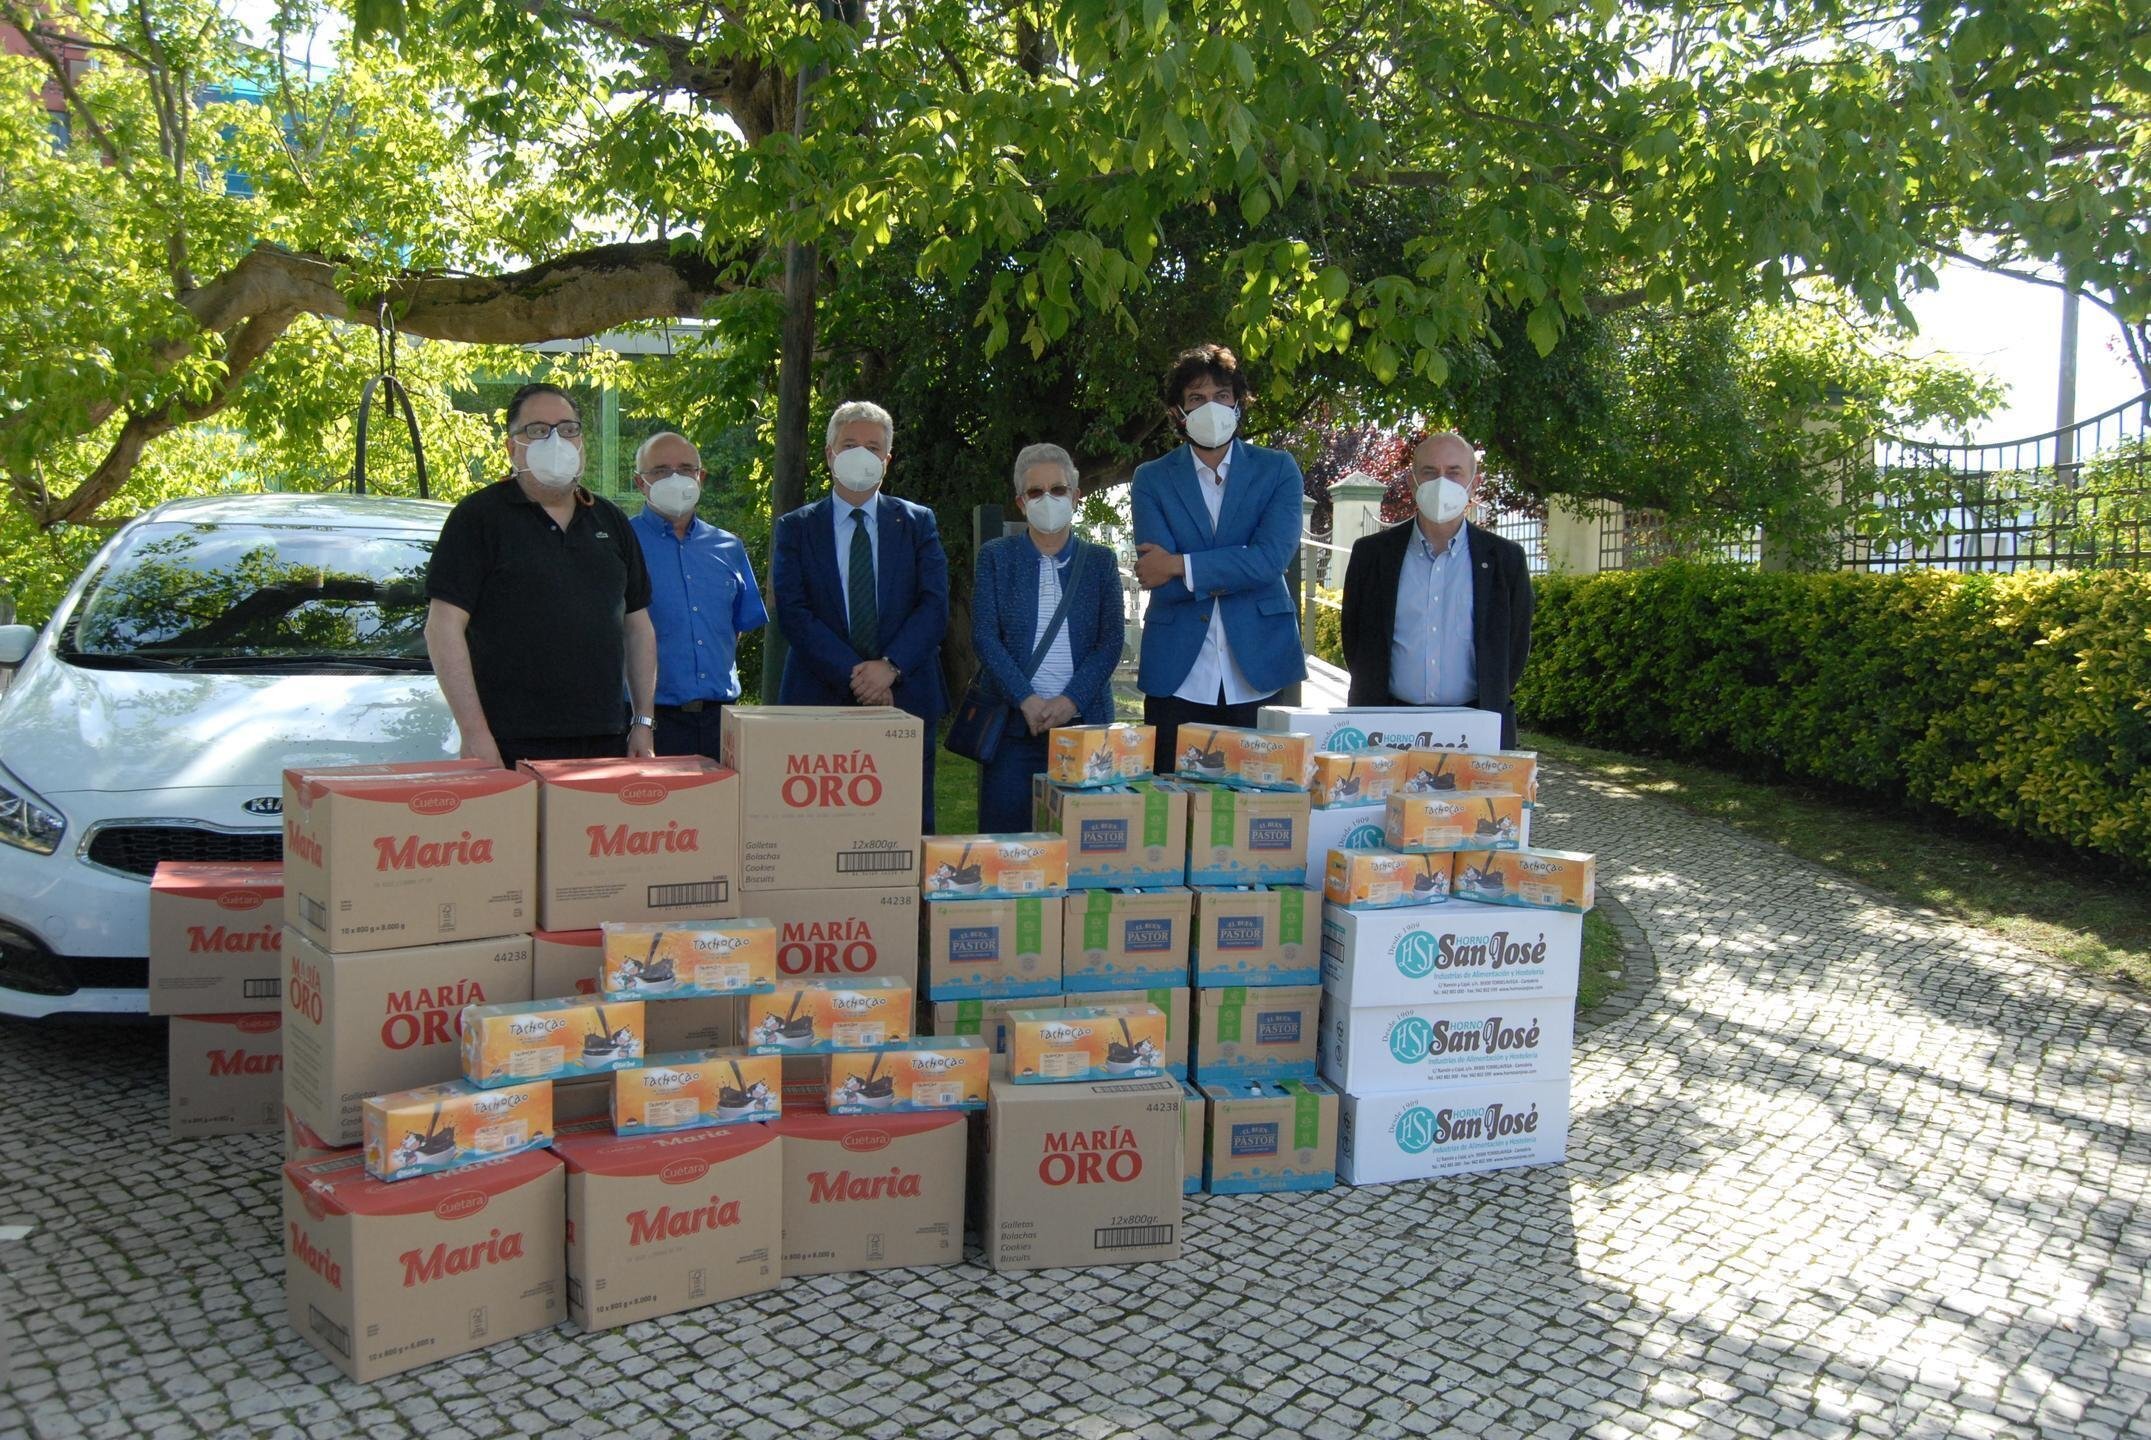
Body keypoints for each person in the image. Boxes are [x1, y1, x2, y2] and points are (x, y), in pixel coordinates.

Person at [425, 382, 657, 768]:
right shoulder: (478, 518)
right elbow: (443, 628)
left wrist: (643, 723)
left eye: (568, 429)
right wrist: (475, 734)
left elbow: (638, 626)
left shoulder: (610, 520)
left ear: (582, 442)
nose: (556, 441)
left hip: (604, 738)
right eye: (537, 430)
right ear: (511, 446)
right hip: (508, 742)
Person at [771, 400, 950, 830]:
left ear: (887, 461)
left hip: (905, 697)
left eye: (872, 447)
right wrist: (861, 677)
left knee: (905, 826)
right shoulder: (796, 527)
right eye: (849, 443)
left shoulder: (917, 522)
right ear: (830, 453)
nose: (860, 454)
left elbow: (934, 604)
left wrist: (889, 669)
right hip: (818, 698)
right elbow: (794, 612)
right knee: (819, 831)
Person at [1129, 343, 1306, 771]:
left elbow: (1269, 561)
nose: (1211, 406)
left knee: (1261, 811)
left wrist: (1180, 564)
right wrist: (1231, 563)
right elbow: (1156, 573)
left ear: (1238, 404)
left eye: (1222, 396)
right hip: (1179, 674)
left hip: (1259, 668)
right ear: (1178, 413)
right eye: (1196, 398)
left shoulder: (1278, 470)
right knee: (1174, 811)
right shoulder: (1151, 479)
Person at [1339, 430, 1534, 746]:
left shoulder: (1505, 559)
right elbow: (1356, 641)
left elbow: (1514, 648)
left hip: (1476, 728)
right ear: (1412, 481)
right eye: (1429, 472)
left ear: (1474, 482)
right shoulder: (1371, 555)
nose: (1441, 482)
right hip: (1385, 726)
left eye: (1454, 472)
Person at [969, 444, 1127, 831]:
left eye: (1057, 489)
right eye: (1036, 492)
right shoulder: (996, 557)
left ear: (1075, 496)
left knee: (1085, 849)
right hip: (1013, 729)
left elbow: (1110, 642)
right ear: (1021, 503)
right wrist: (1027, 699)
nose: (1048, 499)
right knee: (1006, 846)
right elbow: (986, 636)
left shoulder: (1100, 562)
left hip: (1085, 728)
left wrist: (1069, 700)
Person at [627, 430, 769, 761]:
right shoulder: (623, 543)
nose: (674, 479)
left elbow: (735, 626)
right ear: (639, 482)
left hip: (722, 720)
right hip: (651, 723)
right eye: (660, 471)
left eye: (686, 468)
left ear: (701, 477)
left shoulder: (729, 546)